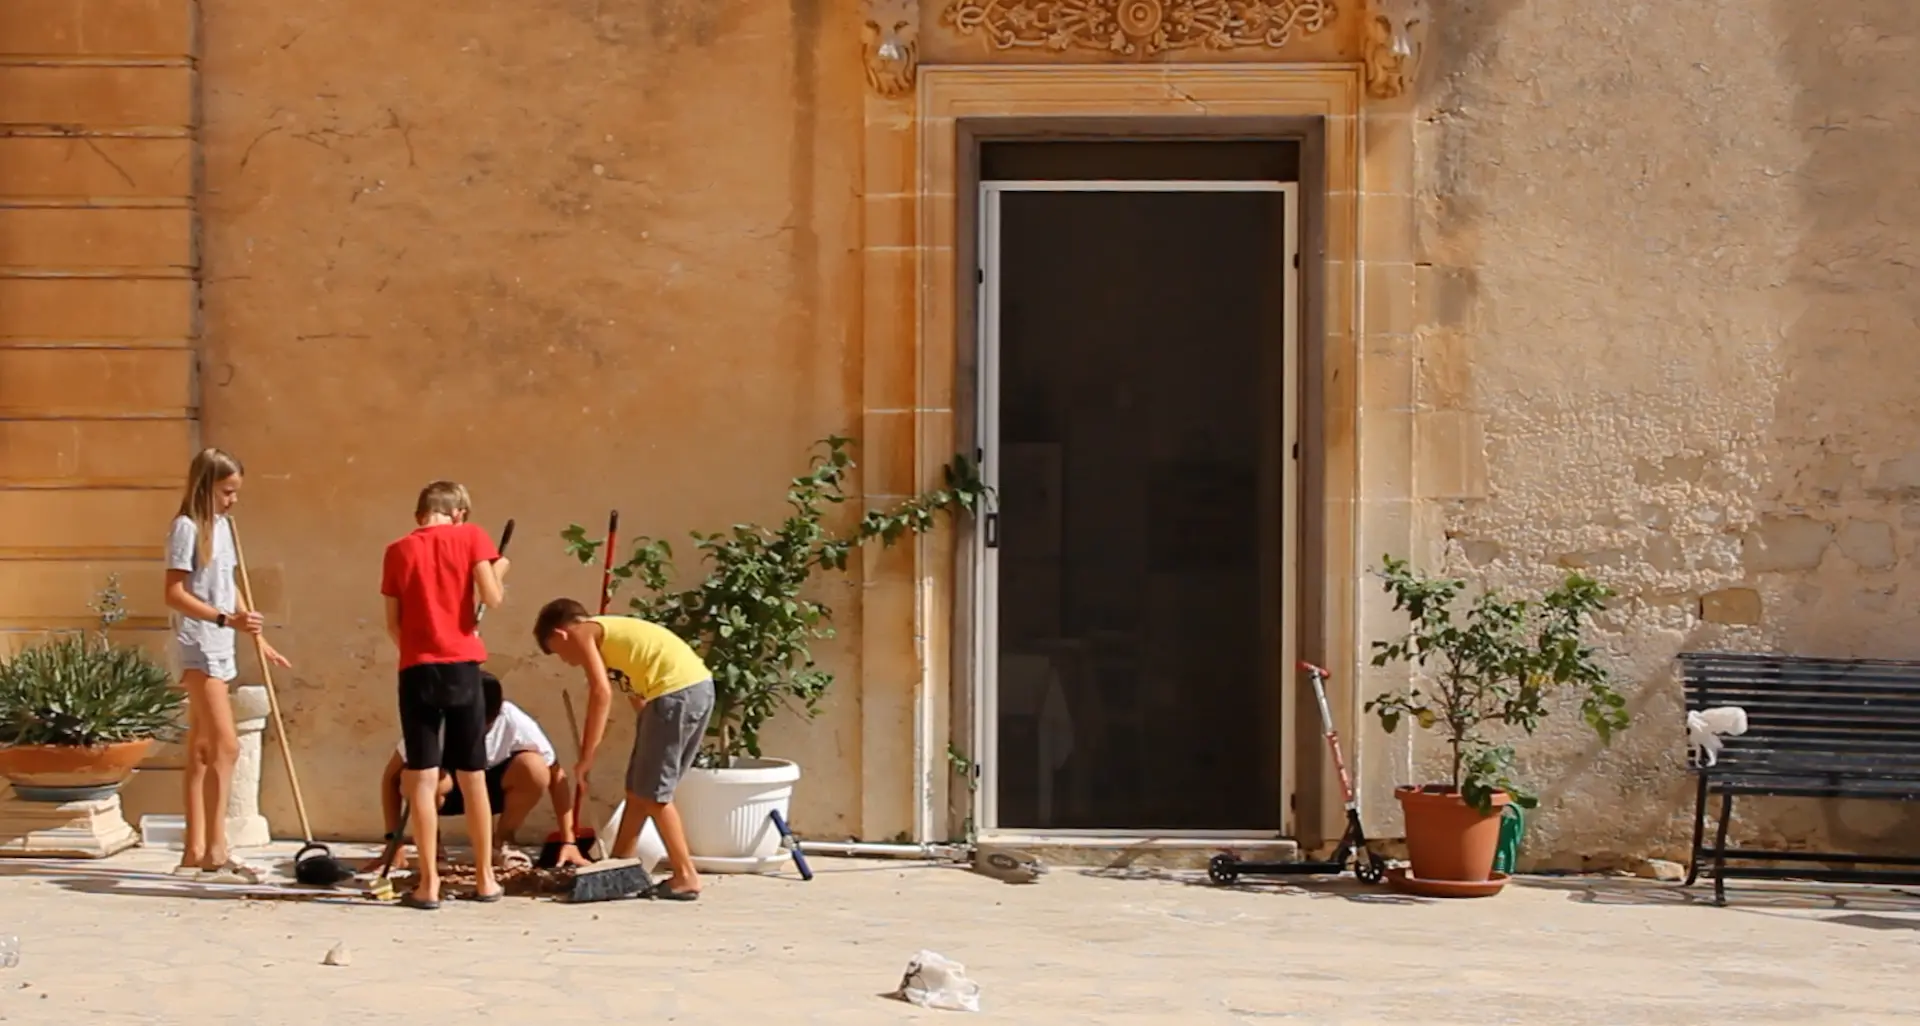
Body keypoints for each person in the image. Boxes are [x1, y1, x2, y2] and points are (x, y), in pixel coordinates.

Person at [163, 448, 292, 883]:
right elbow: (174, 593)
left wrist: (255, 633)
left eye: (235, 492)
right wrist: (223, 620)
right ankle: (216, 849)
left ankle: (193, 850)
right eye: (227, 491)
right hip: (198, 642)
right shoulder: (186, 528)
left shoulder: (223, 528)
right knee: (226, 744)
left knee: (202, 748)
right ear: (206, 487)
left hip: (222, 641)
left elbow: (228, 583)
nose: (233, 500)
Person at [381, 481, 510, 908]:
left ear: (422, 513)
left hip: (416, 668)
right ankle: (485, 879)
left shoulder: (397, 550)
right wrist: (499, 568)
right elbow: (492, 596)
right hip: (462, 667)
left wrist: (420, 649)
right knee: (472, 772)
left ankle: (428, 883)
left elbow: (393, 624)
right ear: (457, 513)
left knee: (420, 774)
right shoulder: (472, 537)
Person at [532, 598, 714, 900]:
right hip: (688, 692)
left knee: (654, 794)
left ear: (561, 634)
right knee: (638, 789)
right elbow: (638, 698)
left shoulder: (584, 632)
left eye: (557, 652)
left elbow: (600, 693)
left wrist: (587, 757)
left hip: (674, 695)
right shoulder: (613, 645)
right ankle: (619, 865)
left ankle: (686, 875)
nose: (565, 660)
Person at [363, 671, 587, 874]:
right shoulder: (435, 724)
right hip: (447, 790)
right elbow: (391, 778)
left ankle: (502, 844)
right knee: (416, 777)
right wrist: (394, 843)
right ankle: (432, 848)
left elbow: (557, 776)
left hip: (490, 790)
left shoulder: (513, 720)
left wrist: (568, 841)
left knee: (534, 767)